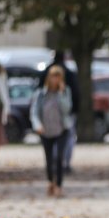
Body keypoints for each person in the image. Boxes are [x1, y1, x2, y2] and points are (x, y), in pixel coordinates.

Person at [30, 65, 73, 198]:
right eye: (54, 76)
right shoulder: (41, 94)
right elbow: (34, 112)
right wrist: (37, 125)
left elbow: (67, 109)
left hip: (62, 130)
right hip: (46, 131)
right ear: (49, 78)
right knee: (49, 159)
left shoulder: (65, 92)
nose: (56, 79)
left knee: (59, 158)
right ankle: (50, 181)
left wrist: (61, 93)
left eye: (58, 77)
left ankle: (59, 186)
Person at [39, 51, 79, 174]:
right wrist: (75, 110)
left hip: (59, 112)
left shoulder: (46, 72)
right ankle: (63, 162)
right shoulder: (70, 73)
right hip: (61, 114)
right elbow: (77, 93)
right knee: (68, 140)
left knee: (62, 139)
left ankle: (58, 162)